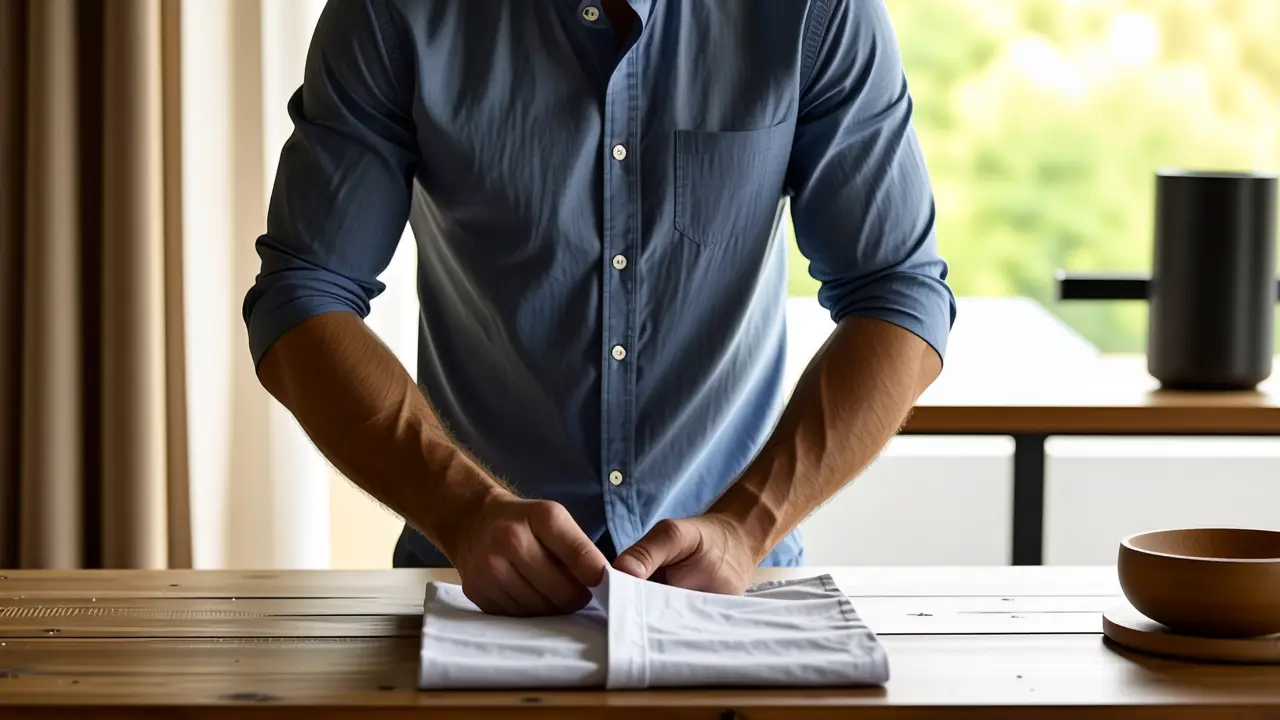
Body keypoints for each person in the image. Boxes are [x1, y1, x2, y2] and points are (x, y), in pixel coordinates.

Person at [243, 0, 955, 617]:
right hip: (473, 588)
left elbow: (898, 291)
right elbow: (303, 292)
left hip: (736, 590)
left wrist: (749, 523)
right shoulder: (392, 11)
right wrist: (461, 507)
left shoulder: (816, 12)